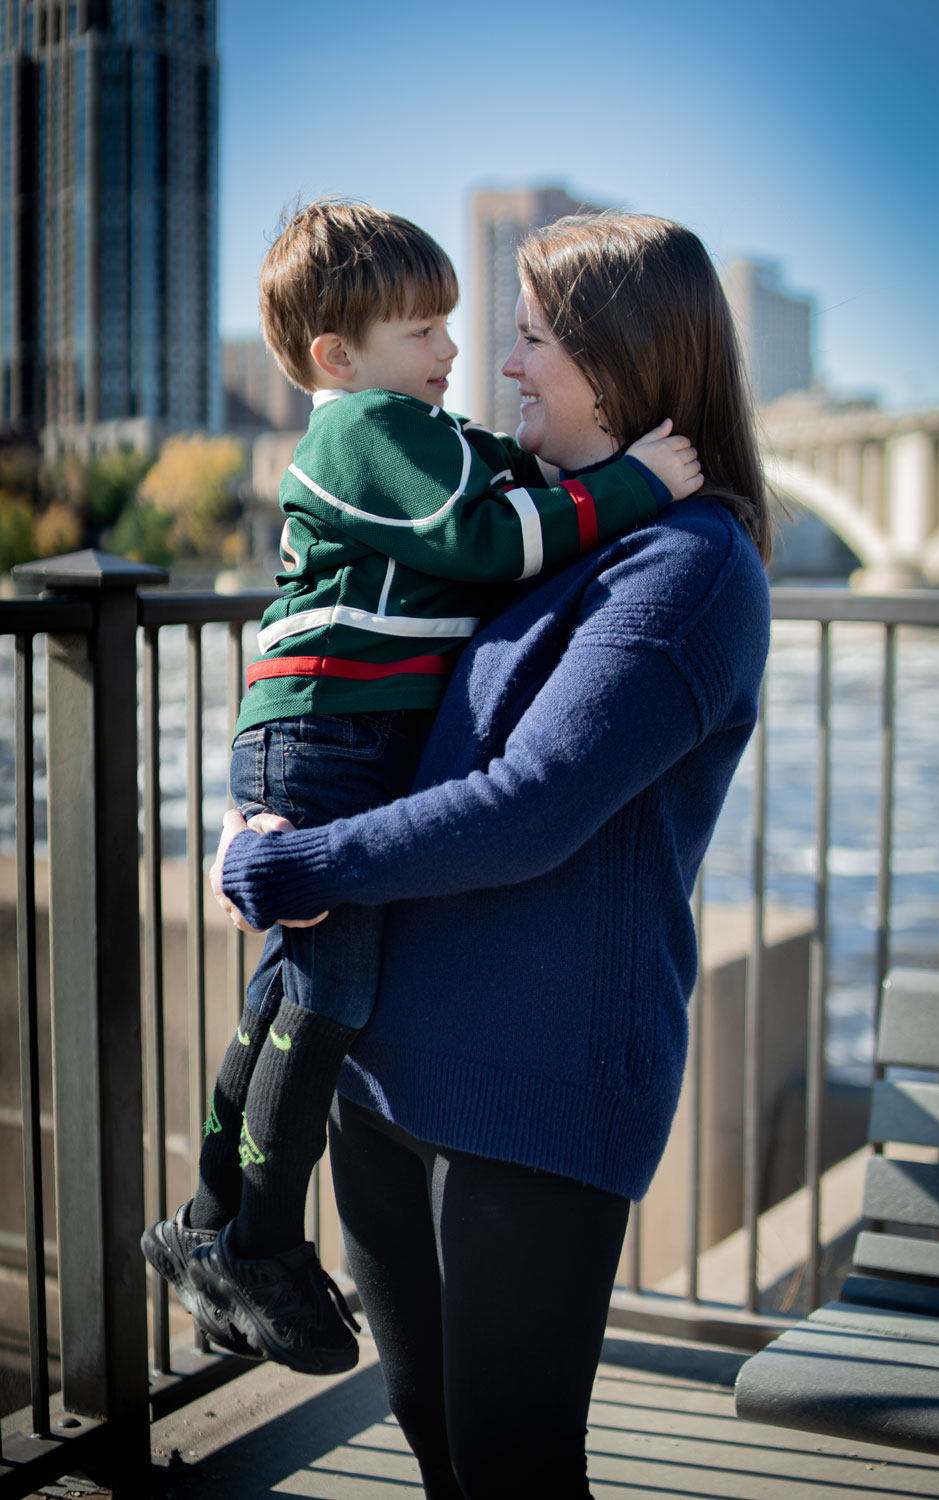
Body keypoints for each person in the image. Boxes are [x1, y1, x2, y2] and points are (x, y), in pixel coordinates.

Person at [210, 210, 772, 1499]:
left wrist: (296, 869)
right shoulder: (518, 535)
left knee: (514, 1472)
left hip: (536, 1098)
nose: (497, 368)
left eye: (529, 341)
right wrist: (259, 814)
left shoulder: (688, 567)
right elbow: (352, 698)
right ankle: (219, 1230)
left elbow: (533, 803)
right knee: (434, 1445)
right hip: (387, 1085)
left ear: (621, 365)